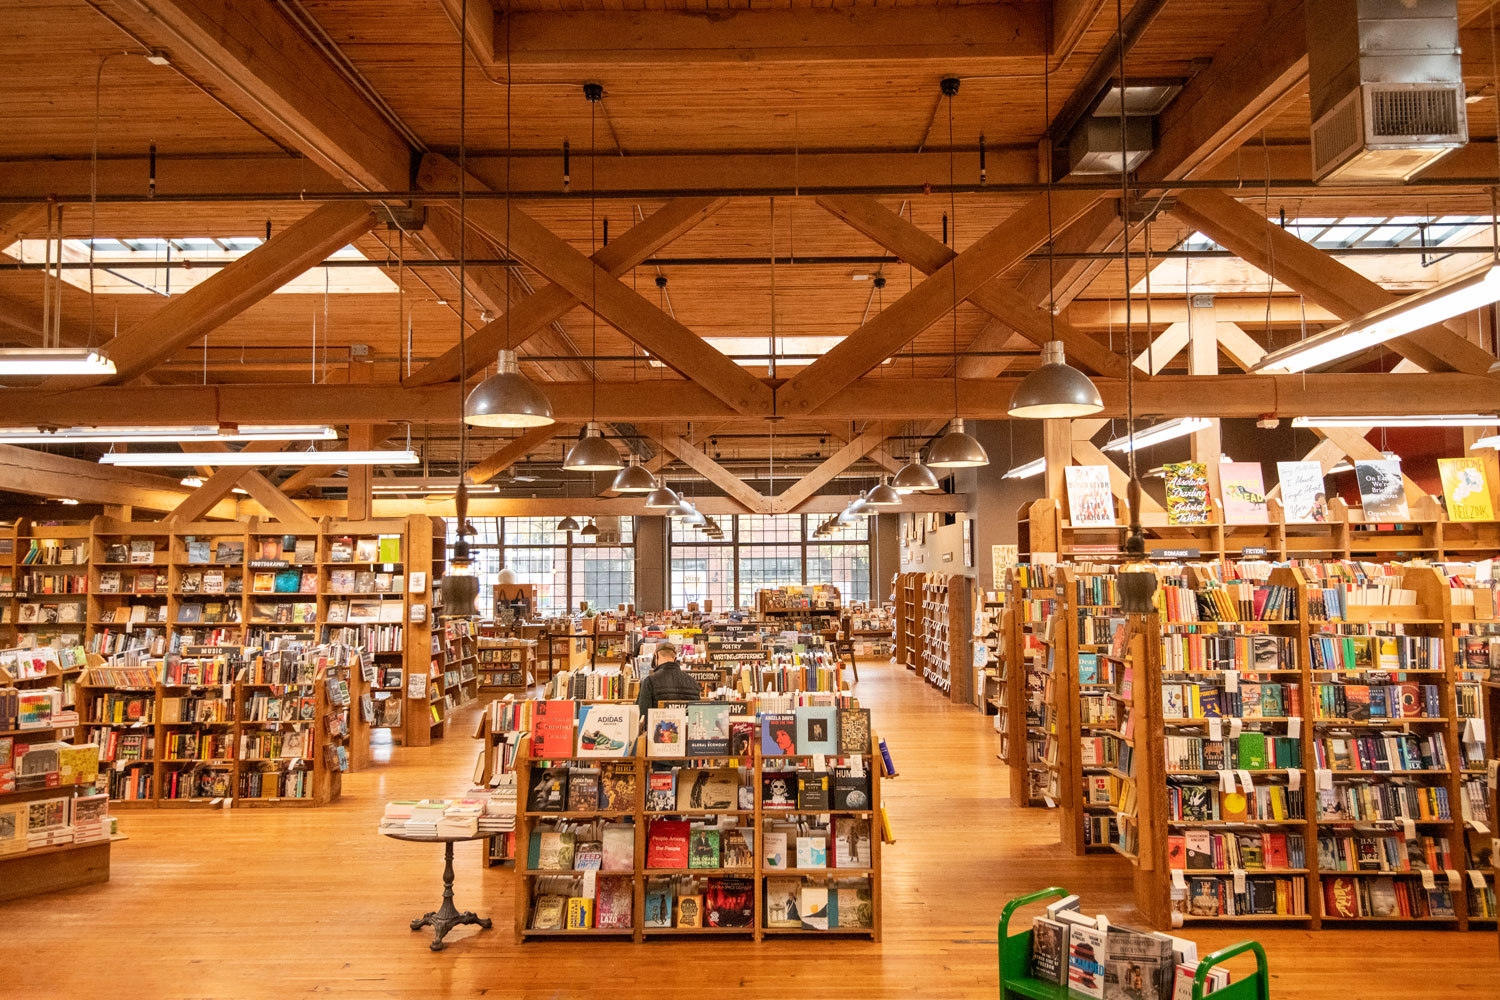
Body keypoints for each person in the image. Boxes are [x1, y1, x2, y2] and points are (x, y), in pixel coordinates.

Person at [635, 642, 701, 720]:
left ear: (656, 656)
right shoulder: (692, 682)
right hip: (686, 731)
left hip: (659, 730)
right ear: (675, 659)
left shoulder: (650, 681)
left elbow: (642, 715)